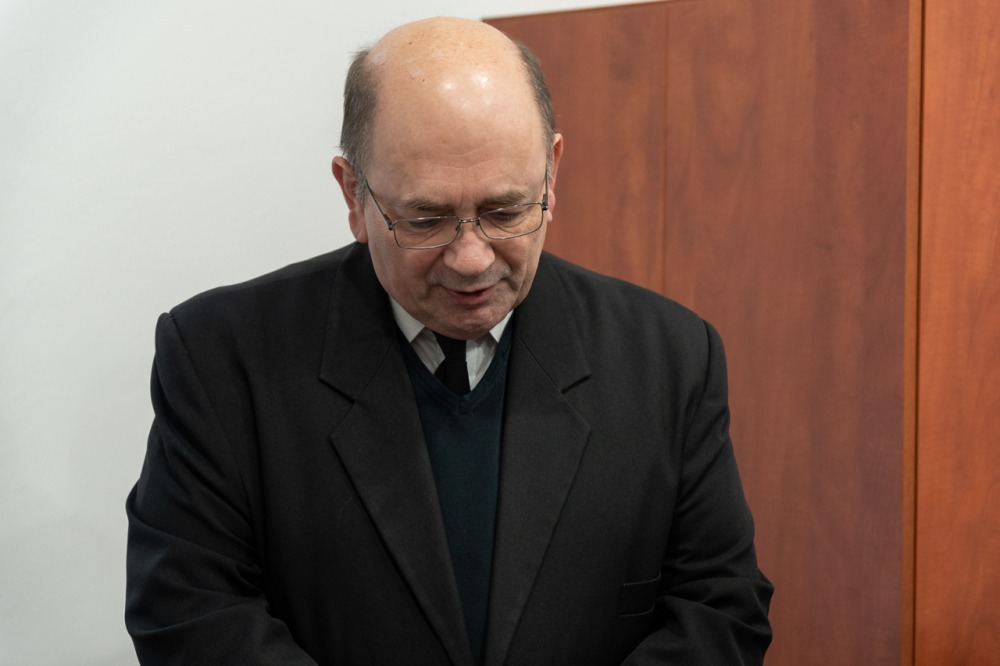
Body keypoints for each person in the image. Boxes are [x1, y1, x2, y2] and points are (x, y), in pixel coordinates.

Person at [125, 16, 772, 666]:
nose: (471, 259)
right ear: (353, 194)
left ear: (551, 173)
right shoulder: (222, 358)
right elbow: (189, 614)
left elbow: (720, 609)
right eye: (426, 219)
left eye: (505, 211)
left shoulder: (670, 359)